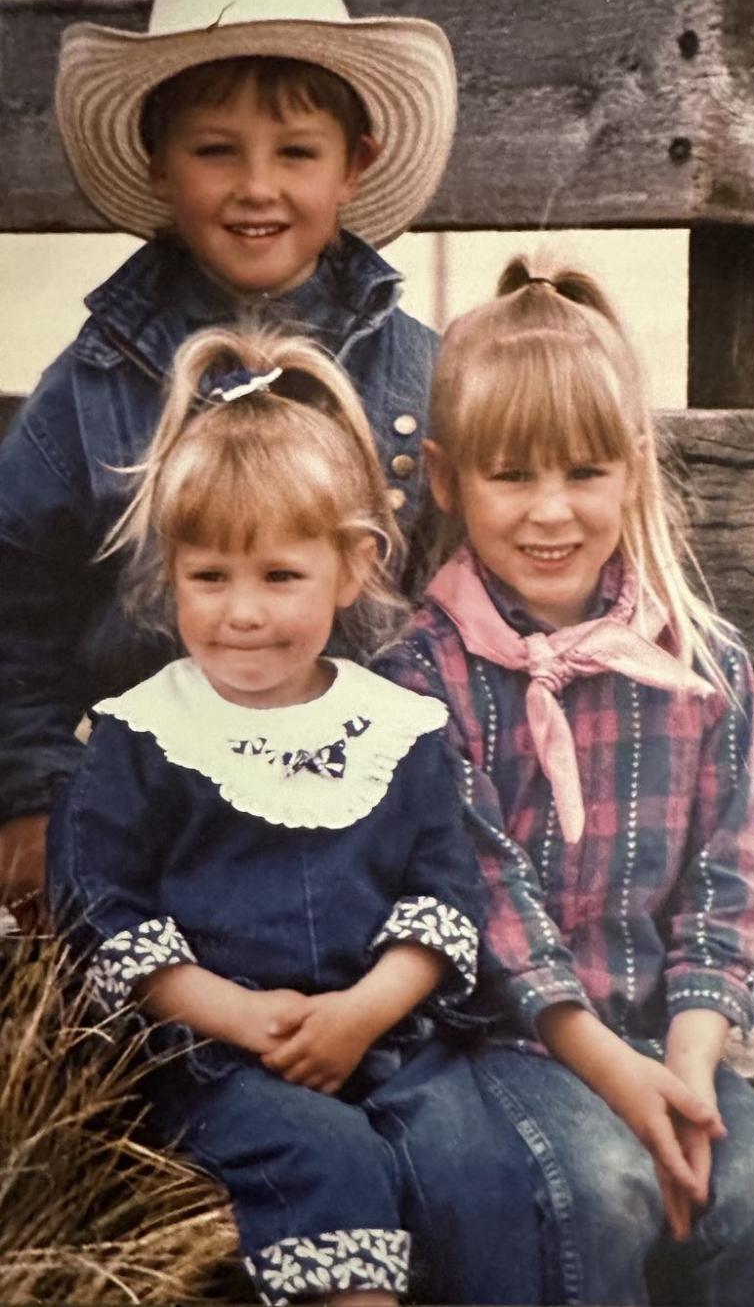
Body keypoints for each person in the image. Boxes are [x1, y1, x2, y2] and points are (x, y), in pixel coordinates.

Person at [46, 324, 550, 1307]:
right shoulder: (146, 732)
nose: (242, 612)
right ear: (172, 568)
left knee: (480, 1165)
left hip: (390, 1038)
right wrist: (232, 1010)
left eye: (280, 576)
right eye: (210, 577)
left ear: (352, 567)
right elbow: (99, 905)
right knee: (327, 1156)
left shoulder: (395, 728)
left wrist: (363, 1011)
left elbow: (441, 895)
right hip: (215, 1057)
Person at [375, 255, 754, 1307]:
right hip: (503, 1043)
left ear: (634, 468)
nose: (552, 511)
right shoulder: (420, 675)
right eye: (512, 474)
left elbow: (732, 882)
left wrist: (688, 1061)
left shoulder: (699, 664)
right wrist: (623, 1080)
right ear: (446, 479)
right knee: (603, 1187)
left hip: (668, 1035)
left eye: (585, 472)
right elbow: (482, 900)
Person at [0, 0, 456, 924]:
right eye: (217, 150)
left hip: (363, 817)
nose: (258, 187)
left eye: (297, 151)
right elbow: (13, 601)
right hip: (152, 815)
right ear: (162, 164)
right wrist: (31, 793)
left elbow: (457, 602)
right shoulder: (100, 379)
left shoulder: (415, 376)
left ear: (357, 164)